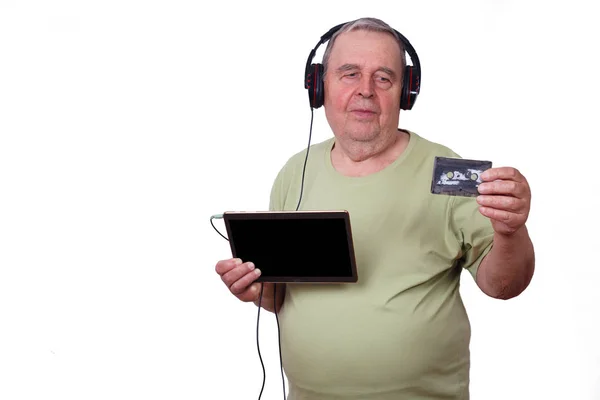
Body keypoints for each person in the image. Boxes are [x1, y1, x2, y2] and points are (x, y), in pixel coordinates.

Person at [215, 17, 535, 400]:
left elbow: (504, 286)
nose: (365, 90)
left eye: (383, 78)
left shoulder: (449, 171)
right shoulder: (295, 172)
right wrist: (255, 289)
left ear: (405, 93)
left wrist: (510, 231)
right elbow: (281, 295)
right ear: (319, 86)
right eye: (349, 74)